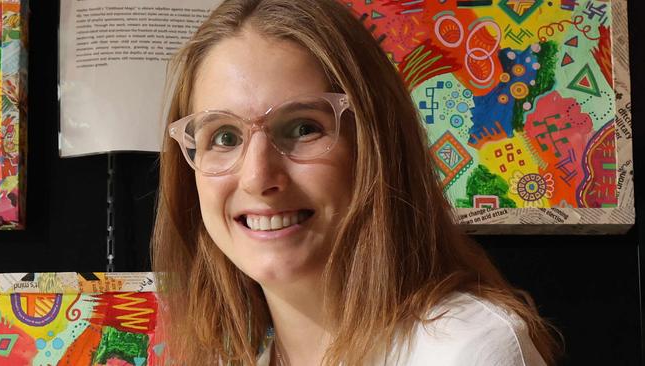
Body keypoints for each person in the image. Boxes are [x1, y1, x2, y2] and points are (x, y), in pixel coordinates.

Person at [152, 0, 562, 364]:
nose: (258, 177)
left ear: (376, 147)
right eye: (224, 137)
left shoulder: (469, 351)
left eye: (303, 127)